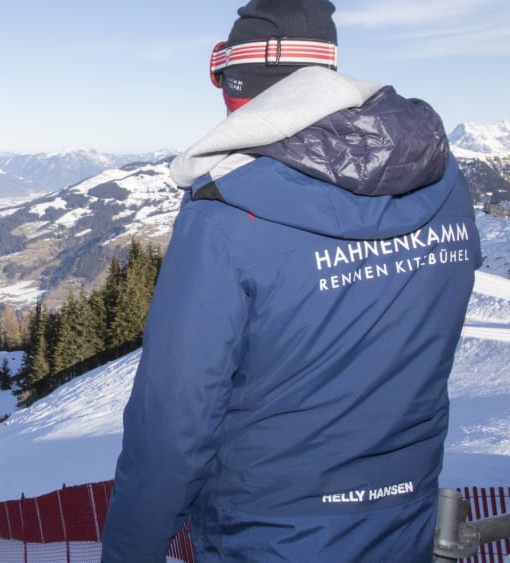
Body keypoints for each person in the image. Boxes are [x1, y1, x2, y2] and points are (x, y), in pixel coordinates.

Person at [101, 1, 481, 561]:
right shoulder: (445, 183)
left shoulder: (225, 211)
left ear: (237, 85)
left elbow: (174, 422)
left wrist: (129, 551)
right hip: (404, 514)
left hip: (271, 528)